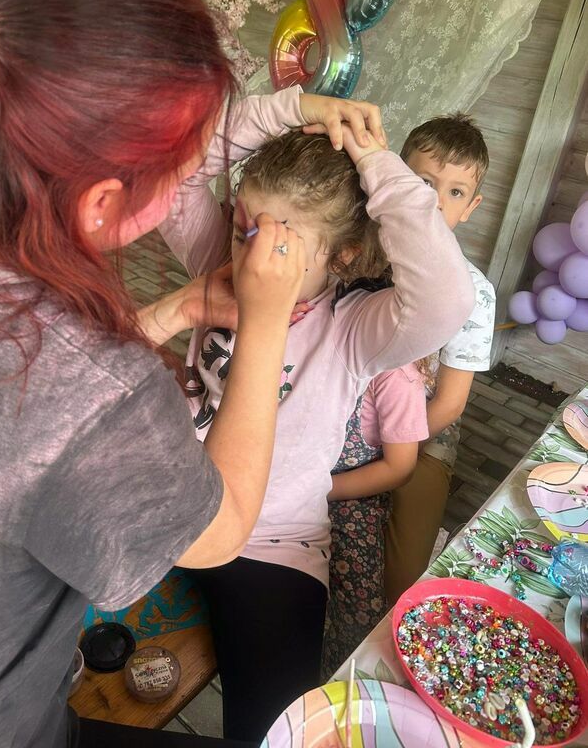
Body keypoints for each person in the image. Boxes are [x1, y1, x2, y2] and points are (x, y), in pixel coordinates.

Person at [0, 0, 381, 748]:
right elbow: (219, 526)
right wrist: (265, 321)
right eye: (181, 175)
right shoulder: (92, 385)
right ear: (103, 203)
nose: (192, 199)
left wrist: (174, 309)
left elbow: (23, 416)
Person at [159, 122, 475, 740]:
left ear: (342, 255)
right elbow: (177, 169)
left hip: (272, 544)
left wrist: (373, 157)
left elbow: (447, 298)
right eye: (243, 231)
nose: (250, 259)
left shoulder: (354, 328)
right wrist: (295, 106)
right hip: (169, 504)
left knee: (278, 730)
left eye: (281, 248)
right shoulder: (217, 268)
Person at [384, 113, 496, 604]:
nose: (434, 200)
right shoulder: (359, 256)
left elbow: (449, 403)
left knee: (403, 575)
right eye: (424, 182)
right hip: (341, 414)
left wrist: (388, 449)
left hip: (424, 434)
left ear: (471, 207)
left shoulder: (475, 293)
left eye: (454, 192)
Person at [321, 359, 430, 678]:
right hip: (295, 477)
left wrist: (318, 490)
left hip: (351, 491)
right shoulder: (319, 346)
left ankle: (337, 679)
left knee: (360, 607)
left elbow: (399, 468)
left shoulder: (397, 376)